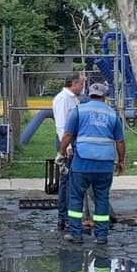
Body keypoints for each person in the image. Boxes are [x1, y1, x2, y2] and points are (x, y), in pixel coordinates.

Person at [59, 82, 125, 245]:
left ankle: (76, 234)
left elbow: (67, 134)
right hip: (105, 165)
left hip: (82, 163)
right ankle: (101, 235)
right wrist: (121, 161)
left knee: (76, 198)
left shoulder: (78, 111)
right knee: (102, 198)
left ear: (89, 94)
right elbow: (120, 141)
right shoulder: (112, 114)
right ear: (104, 96)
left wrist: (61, 152)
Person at [51, 73, 84, 231]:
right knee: (67, 181)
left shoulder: (73, 98)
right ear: (74, 83)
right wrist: (67, 148)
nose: (82, 87)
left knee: (71, 181)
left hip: (71, 142)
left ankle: (68, 217)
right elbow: (61, 125)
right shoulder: (63, 99)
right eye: (81, 84)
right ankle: (63, 217)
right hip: (66, 142)